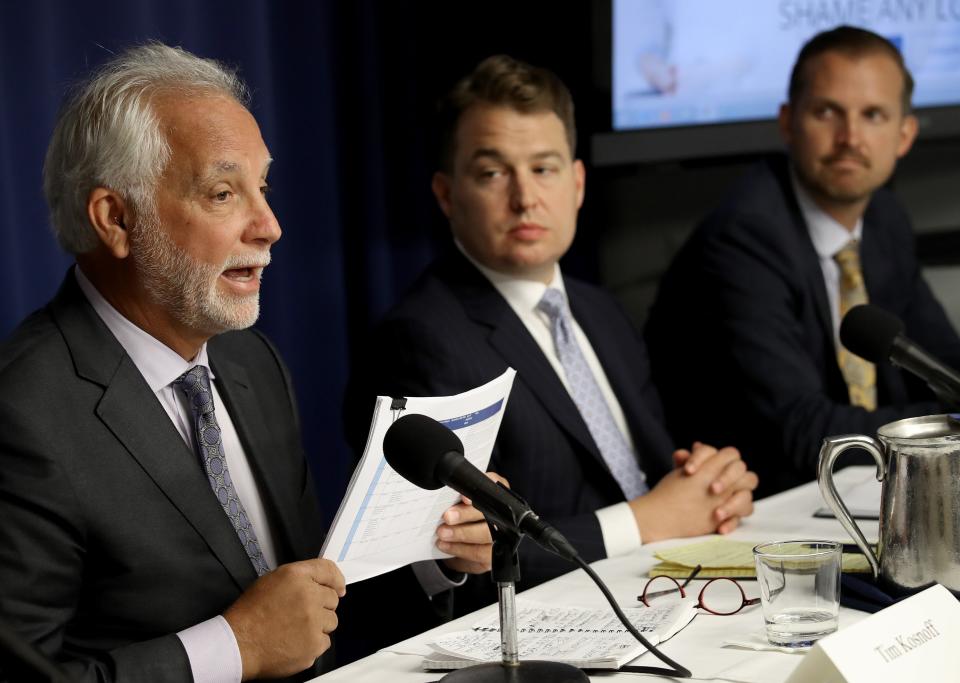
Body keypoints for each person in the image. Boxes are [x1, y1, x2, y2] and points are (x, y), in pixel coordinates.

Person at [0, 43, 492, 682]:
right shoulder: (22, 415)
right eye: (223, 192)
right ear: (116, 220)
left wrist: (437, 552)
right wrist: (233, 648)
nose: (270, 226)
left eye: (263, 187)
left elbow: (306, 614)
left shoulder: (250, 364)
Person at [344, 55, 758, 593]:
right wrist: (647, 520)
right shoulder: (421, 339)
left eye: (544, 168)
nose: (525, 198)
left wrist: (711, 484)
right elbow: (456, 552)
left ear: (578, 182)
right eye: (493, 173)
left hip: (670, 587)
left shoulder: (600, 310)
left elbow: (650, 476)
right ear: (447, 195)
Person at [645, 26, 960, 495]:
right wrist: (948, 426)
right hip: (757, 507)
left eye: (873, 115)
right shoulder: (744, 237)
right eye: (826, 112)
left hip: (847, 491)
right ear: (788, 122)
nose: (850, 137)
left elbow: (941, 365)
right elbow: (801, 430)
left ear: (904, 134)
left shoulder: (884, 218)